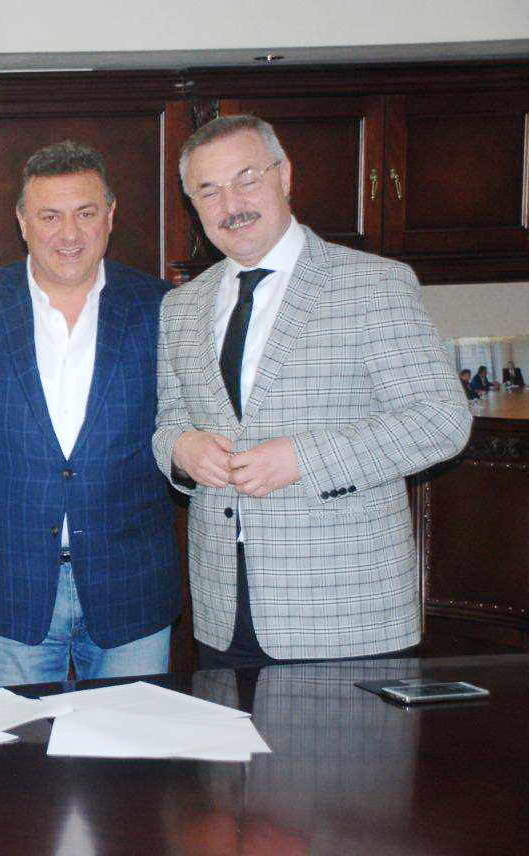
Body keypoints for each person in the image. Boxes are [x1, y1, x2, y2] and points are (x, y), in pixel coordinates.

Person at [153, 114, 472, 669]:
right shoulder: (180, 306)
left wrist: (303, 458)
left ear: (285, 176)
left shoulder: (373, 283)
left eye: (247, 178)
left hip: (346, 610)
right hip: (223, 611)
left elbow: (441, 419)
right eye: (209, 190)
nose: (232, 203)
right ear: (192, 203)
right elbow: (168, 423)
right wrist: (181, 450)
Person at [0, 140, 180, 687]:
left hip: (131, 585)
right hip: (12, 584)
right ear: (22, 221)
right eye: (49, 216)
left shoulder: (163, 307)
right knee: (24, 739)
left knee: (134, 740)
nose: (69, 234)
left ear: (110, 215)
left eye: (85, 213)